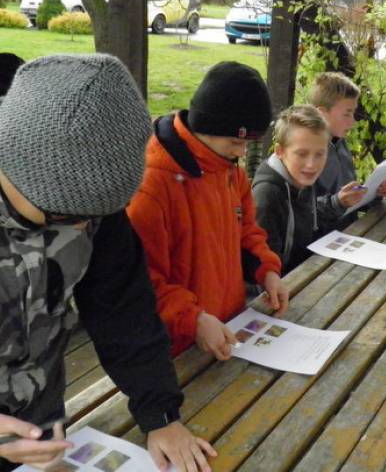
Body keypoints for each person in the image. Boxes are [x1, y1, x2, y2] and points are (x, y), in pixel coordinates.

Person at [0, 54, 215, 471]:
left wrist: (161, 415)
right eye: (65, 218)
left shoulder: (91, 201)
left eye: (95, 217)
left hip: (42, 431)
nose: (83, 230)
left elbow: (123, 308)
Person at [127, 61, 288, 359]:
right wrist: (194, 319)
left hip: (229, 332)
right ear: (207, 127)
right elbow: (141, 281)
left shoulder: (228, 169)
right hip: (175, 349)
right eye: (236, 142)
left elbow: (247, 235)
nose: (242, 153)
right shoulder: (151, 186)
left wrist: (267, 271)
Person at [309, 72, 386, 232]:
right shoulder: (307, 154)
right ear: (321, 113)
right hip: (320, 245)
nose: (353, 121)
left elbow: (347, 196)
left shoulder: (340, 143)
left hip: (349, 232)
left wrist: (374, 192)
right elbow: (303, 213)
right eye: (347, 114)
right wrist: (337, 202)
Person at [253, 105, 330, 274]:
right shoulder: (267, 196)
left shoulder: (303, 178)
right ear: (280, 151)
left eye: (320, 154)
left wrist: (340, 202)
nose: (311, 164)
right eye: (301, 154)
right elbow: (263, 271)